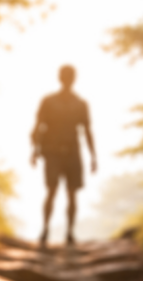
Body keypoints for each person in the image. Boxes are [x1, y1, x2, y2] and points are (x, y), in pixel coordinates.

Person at [31, 64, 97, 248]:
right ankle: (45, 230)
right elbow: (38, 126)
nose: (67, 80)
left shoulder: (80, 104)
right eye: (65, 76)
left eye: (70, 76)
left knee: (72, 193)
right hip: (52, 152)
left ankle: (69, 232)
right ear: (60, 78)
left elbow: (87, 130)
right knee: (52, 191)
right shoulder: (48, 101)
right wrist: (34, 151)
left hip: (73, 152)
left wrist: (93, 156)